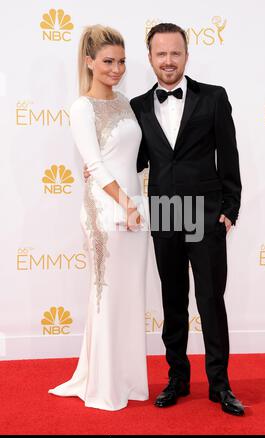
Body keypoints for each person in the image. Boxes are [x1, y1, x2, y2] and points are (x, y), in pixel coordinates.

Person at [84, 23, 245, 416]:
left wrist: (230, 208)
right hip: (165, 212)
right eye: (161, 54)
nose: (168, 61)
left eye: (175, 53)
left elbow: (230, 154)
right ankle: (177, 379)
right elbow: (136, 158)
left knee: (210, 301)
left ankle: (220, 385)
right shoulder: (137, 106)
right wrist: (101, 166)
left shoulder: (213, 98)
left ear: (186, 55)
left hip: (204, 213)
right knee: (173, 302)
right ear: (151, 58)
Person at [48, 25, 149, 411]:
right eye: (108, 61)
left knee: (129, 293)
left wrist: (139, 202)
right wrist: (126, 203)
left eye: (122, 61)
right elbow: (95, 164)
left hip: (135, 208)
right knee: (106, 291)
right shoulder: (81, 107)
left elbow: (133, 157)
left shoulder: (125, 102)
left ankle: (127, 380)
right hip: (107, 210)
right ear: (89, 61)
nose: (117, 68)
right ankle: (104, 384)